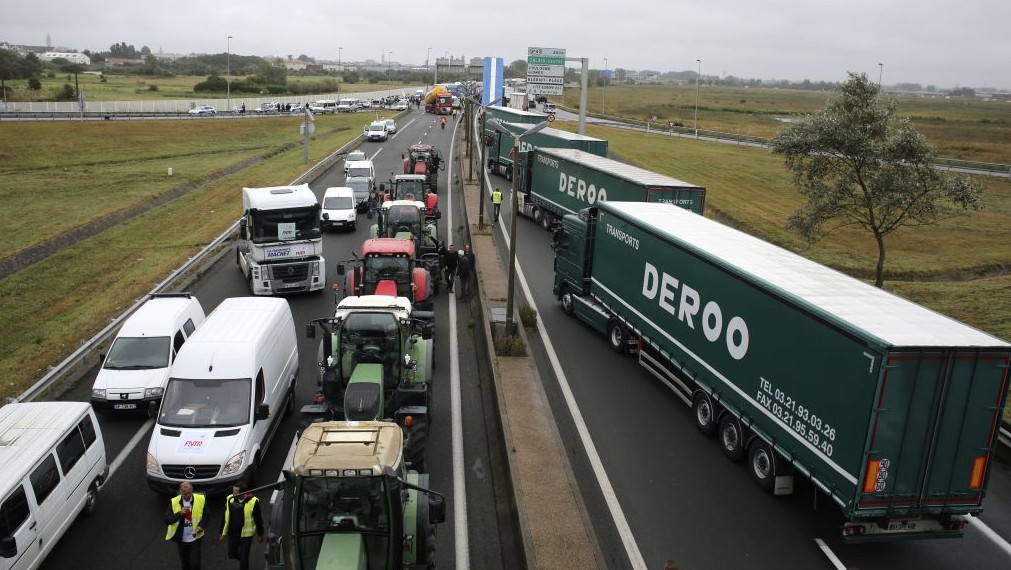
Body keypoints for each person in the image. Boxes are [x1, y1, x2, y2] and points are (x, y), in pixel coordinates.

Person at [219, 482, 264, 570]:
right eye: (233, 491)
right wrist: (222, 532)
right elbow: (224, 517)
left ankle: (244, 561)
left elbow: (258, 519)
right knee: (232, 554)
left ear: (243, 493)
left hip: (246, 535)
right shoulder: (230, 499)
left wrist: (260, 534)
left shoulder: (253, 502)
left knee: (244, 557)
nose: (233, 494)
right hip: (233, 533)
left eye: (235, 492)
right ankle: (244, 559)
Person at [165, 482, 206, 570]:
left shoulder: (200, 499)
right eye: (184, 493)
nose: (187, 495)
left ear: (192, 490)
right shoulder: (174, 502)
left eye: (189, 492)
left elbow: (206, 515)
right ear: (180, 491)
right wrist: (180, 513)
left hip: (195, 537)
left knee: (195, 564)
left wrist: (201, 526)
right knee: (185, 564)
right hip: (182, 539)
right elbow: (167, 520)